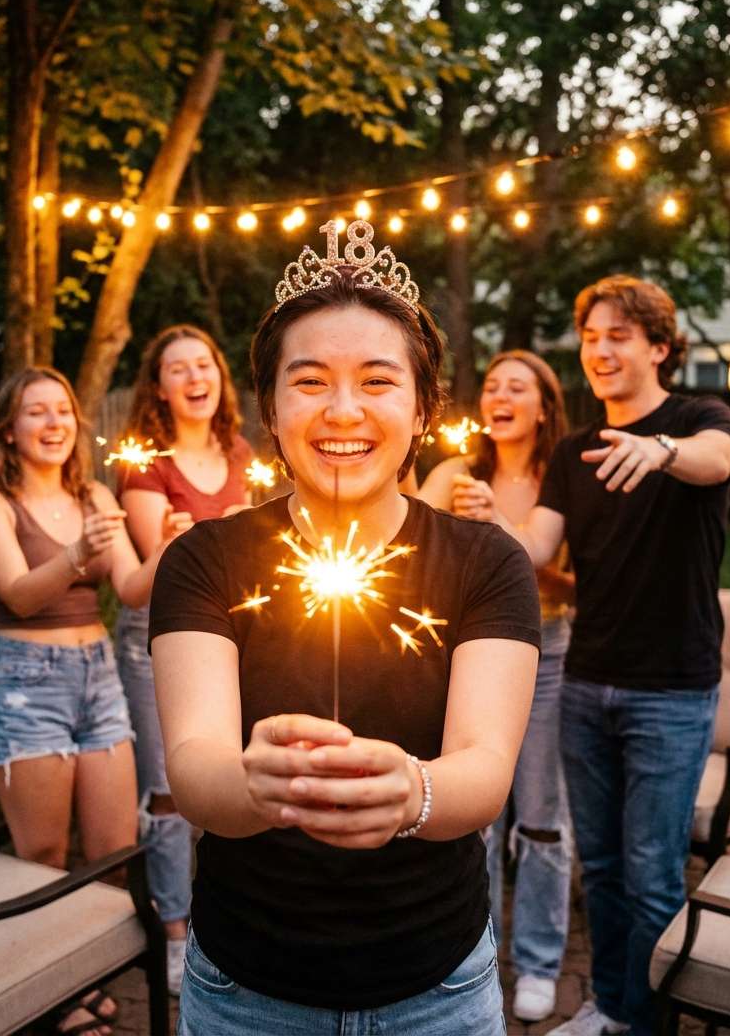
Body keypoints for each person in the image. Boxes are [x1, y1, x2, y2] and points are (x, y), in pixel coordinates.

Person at [149, 221, 541, 1035]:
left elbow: (485, 769)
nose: (343, 410)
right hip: (247, 991)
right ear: (270, 405)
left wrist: (413, 791)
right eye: (310, 380)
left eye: (376, 380)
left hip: (438, 989)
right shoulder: (205, 561)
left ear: (425, 406)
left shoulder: (486, 564)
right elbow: (194, 769)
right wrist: (259, 788)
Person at [498, 277, 730, 1036]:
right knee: (600, 871)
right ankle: (609, 1006)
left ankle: (649, 1024)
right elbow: (535, 547)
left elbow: (718, 460)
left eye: (619, 337)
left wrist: (661, 450)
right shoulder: (573, 452)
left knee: (653, 877)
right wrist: (470, 529)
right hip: (585, 683)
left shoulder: (698, 419)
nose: (600, 350)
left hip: (669, 693)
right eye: (592, 337)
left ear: (659, 348)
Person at [0, 366, 184, 1036]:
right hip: (28, 682)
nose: (56, 423)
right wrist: (72, 552)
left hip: (99, 675)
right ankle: (52, 998)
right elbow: (20, 594)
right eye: (37, 412)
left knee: (115, 850)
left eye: (62, 411)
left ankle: (82, 979)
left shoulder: (92, 493)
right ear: (8, 426)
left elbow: (134, 588)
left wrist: (167, 548)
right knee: (44, 857)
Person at [417, 349, 574, 1023]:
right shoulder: (454, 473)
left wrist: (496, 527)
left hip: (549, 653)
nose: (500, 395)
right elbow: (406, 548)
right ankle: (477, 947)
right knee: (474, 813)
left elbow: (563, 575)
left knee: (540, 819)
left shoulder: (559, 479)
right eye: (491, 385)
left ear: (544, 407)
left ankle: (539, 962)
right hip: (467, 654)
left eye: (519, 386)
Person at [115, 324, 252, 994]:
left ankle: (229, 912)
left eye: (205, 364)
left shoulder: (242, 453)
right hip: (158, 642)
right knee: (170, 789)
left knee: (232, 771)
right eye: (178, 369)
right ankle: (175, 933)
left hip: (237, 638)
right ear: (159, 388)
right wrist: (173, 541)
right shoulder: (148, 469)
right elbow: (156, 577)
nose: (196, 377)